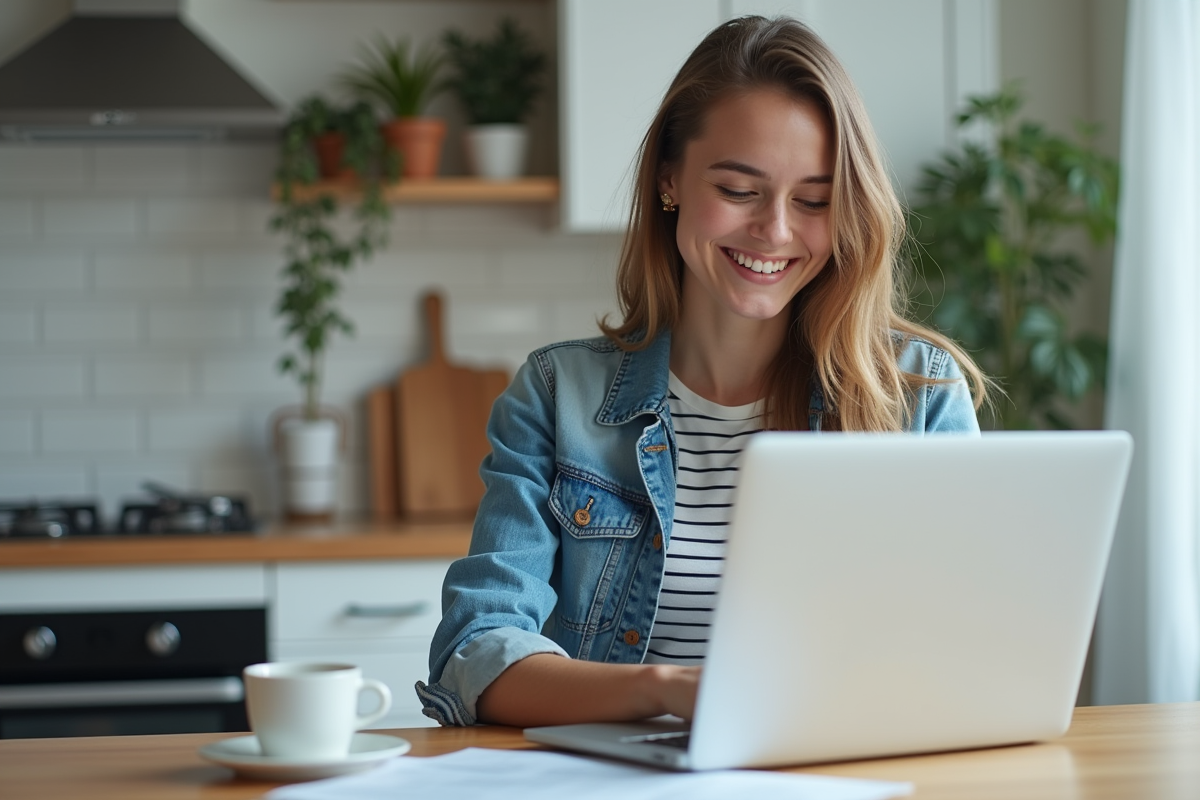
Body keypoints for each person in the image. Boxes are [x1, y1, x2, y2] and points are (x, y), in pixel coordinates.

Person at [416, 15, 988, 728]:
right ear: (670, 180)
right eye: (740, 190)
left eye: (813, 200)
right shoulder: (557, 397)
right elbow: (477, 652)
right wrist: (667, 690)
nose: (776, 231)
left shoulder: (917, 398)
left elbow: (970, 653)